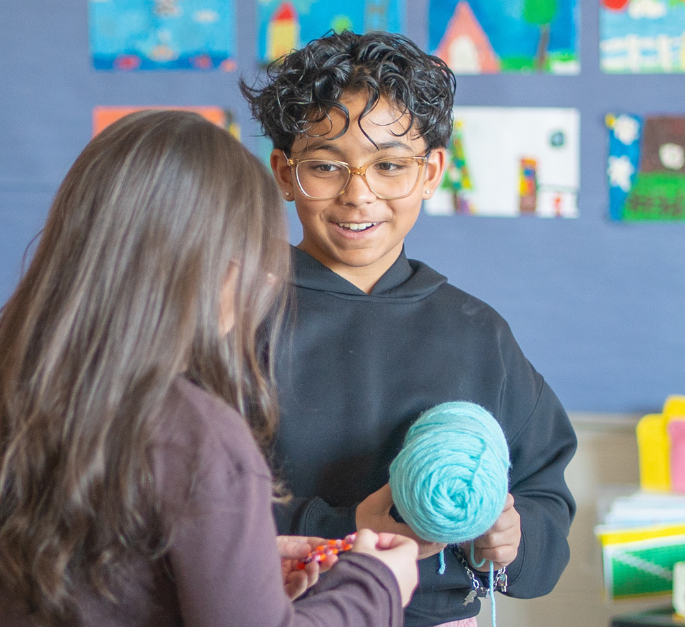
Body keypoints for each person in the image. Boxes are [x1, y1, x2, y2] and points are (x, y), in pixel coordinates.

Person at [0, 110, 420, 627]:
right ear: (218, 268)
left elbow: (118, 590)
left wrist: (241, 571)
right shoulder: (196, 434)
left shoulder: (20, 396)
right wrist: (373, 584)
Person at [242, 31, 578, 627]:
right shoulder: (235, 320)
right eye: (325, 166)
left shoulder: (478, 334)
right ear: (284, 173)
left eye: (390, 166)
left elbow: (543, 495)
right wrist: (346, 530)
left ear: (431, 173)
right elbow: (183, 510)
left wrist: (510, 538)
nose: (358, 194)